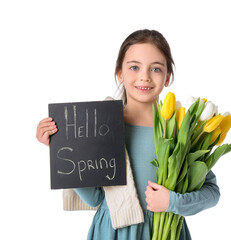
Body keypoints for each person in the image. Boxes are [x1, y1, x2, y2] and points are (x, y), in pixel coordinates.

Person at [36, 29, 220, 240]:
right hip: (112, 232)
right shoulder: (101, 127)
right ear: (120, 74)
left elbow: (212, 193)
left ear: (167, 77)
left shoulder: (180, 132)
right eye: (134, 67)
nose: (144, 77)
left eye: (156, 69)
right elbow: (94, 198)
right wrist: (62, 147)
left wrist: (172, 202)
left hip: (166, 231)